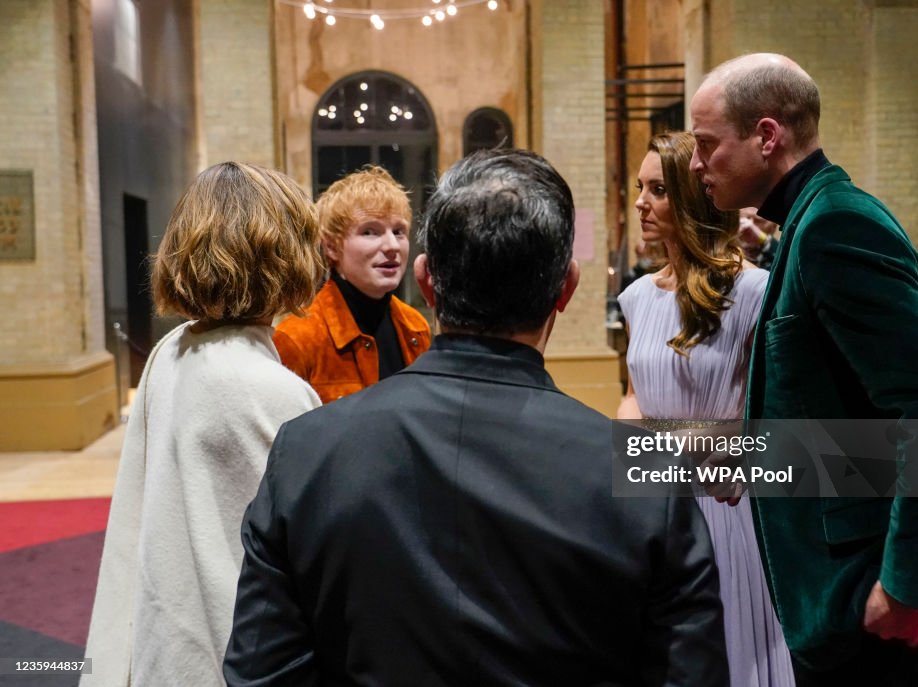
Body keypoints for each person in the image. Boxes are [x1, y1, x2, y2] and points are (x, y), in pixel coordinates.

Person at [224, 149, 728, 686]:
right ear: (567, 287)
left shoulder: (306, 450)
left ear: (427, 280)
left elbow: (263, 670)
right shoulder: (648, 479)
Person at [688, 53, 918, 686]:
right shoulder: (810, 223)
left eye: (706, 145)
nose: (695, 164)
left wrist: (906, 587)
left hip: (866, 598)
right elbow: (838, 405)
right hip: (839, 592)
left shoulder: (835, 226)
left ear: (767, 136)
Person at [81, 162, 324, 687]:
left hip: (162, 646)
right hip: (229, 657)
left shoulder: (173, 349)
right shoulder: (273, 390)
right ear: (284, 253)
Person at [618, 131, 793, 687]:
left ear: (694, 199)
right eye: (639, 188)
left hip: (724, 509)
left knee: (731, 658)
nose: (641, 202)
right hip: (653, 507)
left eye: (659, 190)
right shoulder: (637, 297)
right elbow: (633, 395)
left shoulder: (757, 292)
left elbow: (765, 422)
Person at [273, 165, 431, 404]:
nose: (392, 246)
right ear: (332, 247)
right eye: (370, 232)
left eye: (399, 231)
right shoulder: (297, 338)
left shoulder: (416, 328)